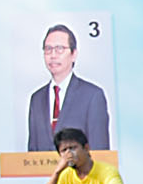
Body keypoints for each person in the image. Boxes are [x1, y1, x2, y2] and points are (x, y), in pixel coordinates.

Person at [24, 23, 110, 152]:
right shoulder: (36, 99)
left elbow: (100, 152)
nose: (53, 55)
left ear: (73, 54)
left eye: (59, 49)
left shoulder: (92, 96)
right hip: (45, 173)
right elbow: (32, 153)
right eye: (48, 49)